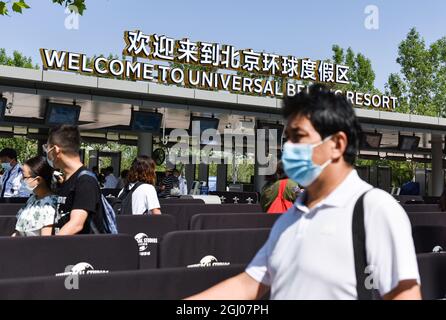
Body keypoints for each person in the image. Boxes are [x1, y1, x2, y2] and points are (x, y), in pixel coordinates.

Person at [187, 85, 421, 300]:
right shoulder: (290, 218)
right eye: (287, 139)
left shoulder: (375, 209)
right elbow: (248, 285)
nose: (288, 148)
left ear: (337, 144)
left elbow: (404, 294)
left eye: (298, 137)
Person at [44, 125, 106, 235]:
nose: (47, 152)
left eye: (47, 147)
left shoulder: (85, 181)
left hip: (81, 251)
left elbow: (76, 224)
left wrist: (50, 247)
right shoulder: (68, 180)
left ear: (56, 150)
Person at [13, 156, 58, 236]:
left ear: (38, 180)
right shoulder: (32, 198)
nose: (21, 180)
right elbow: (18, 230)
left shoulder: (49, 205)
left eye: (24, 177)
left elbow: (45, 240)